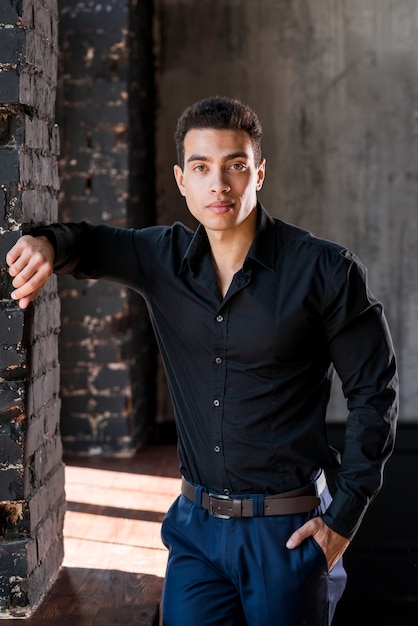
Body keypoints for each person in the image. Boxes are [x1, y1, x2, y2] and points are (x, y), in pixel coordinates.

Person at [6, 96, 398, 625]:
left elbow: (375, 393)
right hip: (196, 531)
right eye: (202, 167)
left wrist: (343, 521)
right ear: (181, 179)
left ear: (258, 172)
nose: (220, 184)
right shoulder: (160, 258)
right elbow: (89, 243)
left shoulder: (324, 270)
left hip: (286, 533)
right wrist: (45, 245)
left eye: (236, 165)